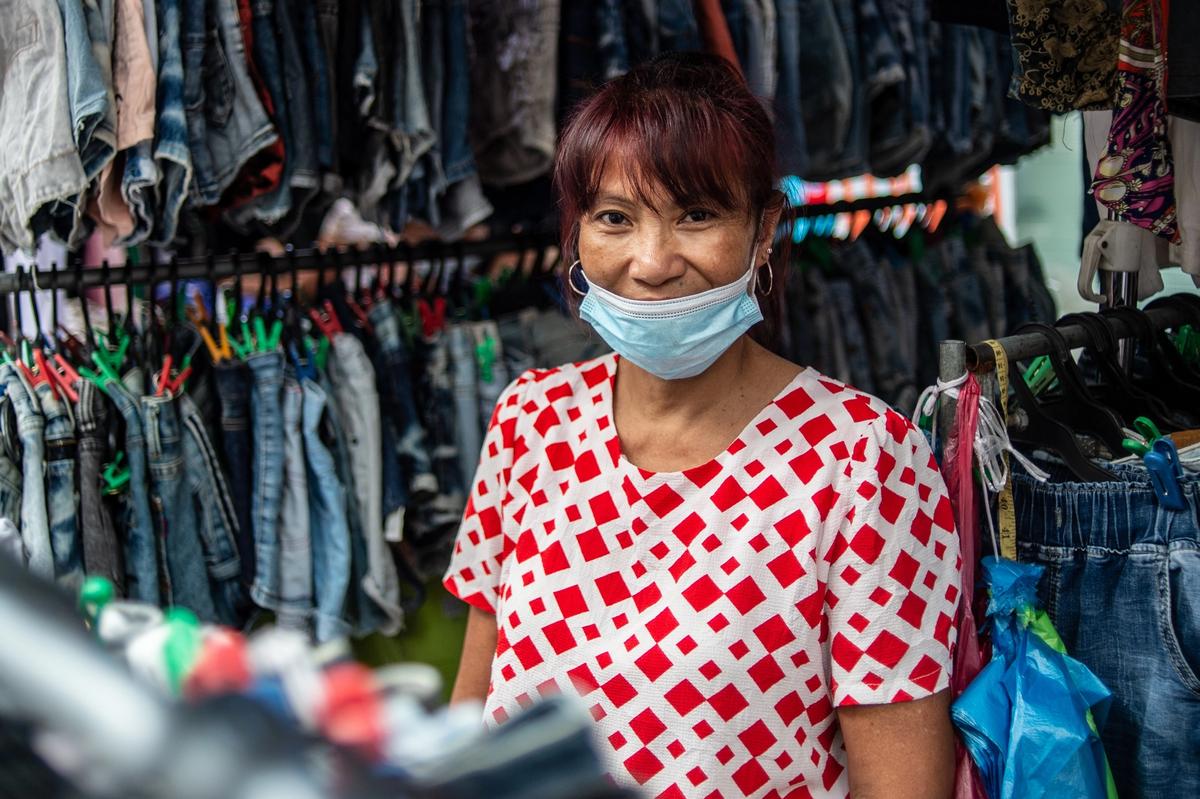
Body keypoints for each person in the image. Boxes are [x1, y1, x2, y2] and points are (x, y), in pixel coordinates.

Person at [445, 52, 961, 799]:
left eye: (696, 214)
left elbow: (902, 787)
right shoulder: (532, 419)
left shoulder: (862, 459)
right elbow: (471, 719)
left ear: (764, 228)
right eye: (614, 218)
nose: (651, 262)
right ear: (578, 233)